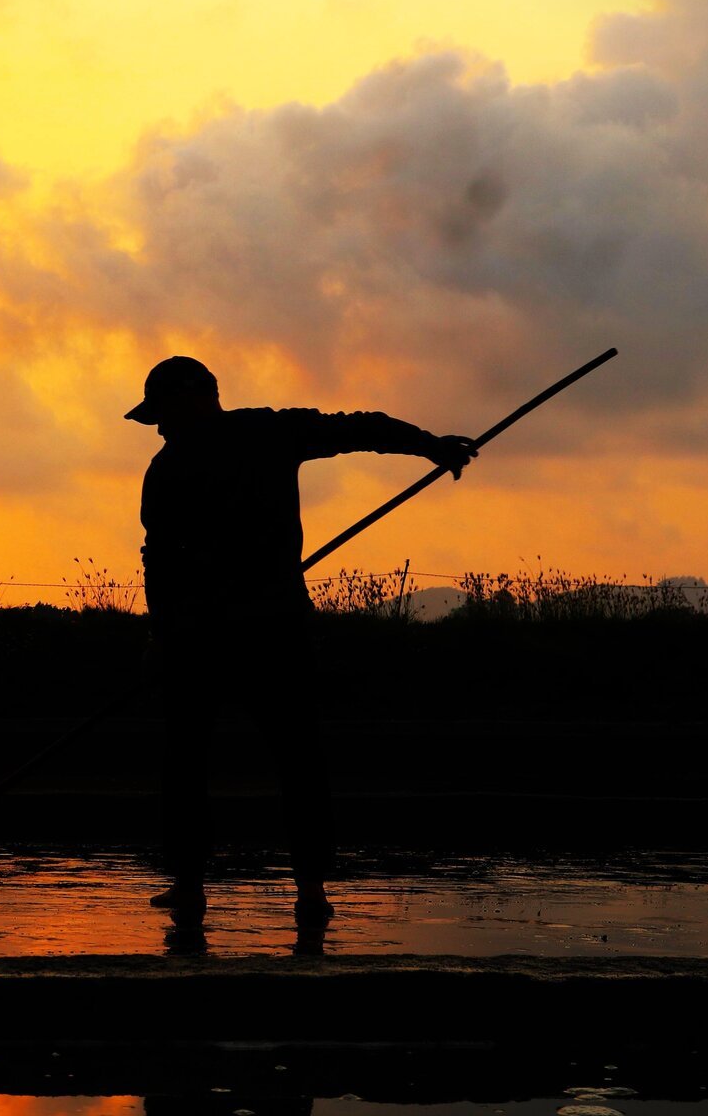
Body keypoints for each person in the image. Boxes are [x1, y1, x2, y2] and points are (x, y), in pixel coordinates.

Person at [125, 355, 476, 926]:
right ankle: (306, 890)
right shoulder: (267, 432)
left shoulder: (170, 467)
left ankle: (199, 887)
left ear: (193, 399)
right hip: (264, 626)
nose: (158, 426)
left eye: (161, 412)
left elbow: (159, 562)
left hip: (208, 635)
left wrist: (161, 633)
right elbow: (362, 427)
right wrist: (430, 446)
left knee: (193, 762)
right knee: (293, 760)